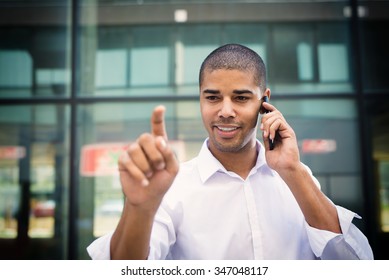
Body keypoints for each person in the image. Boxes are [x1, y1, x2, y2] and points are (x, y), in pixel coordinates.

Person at [87, 44, 373, 260]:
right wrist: (139, 207)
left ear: (264, 101)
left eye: (241, 97)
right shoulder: (172, 187)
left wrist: (293, 172)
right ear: (200, 99)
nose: (225, 111)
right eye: (212, 97)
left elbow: (355, 264)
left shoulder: (297, 177)